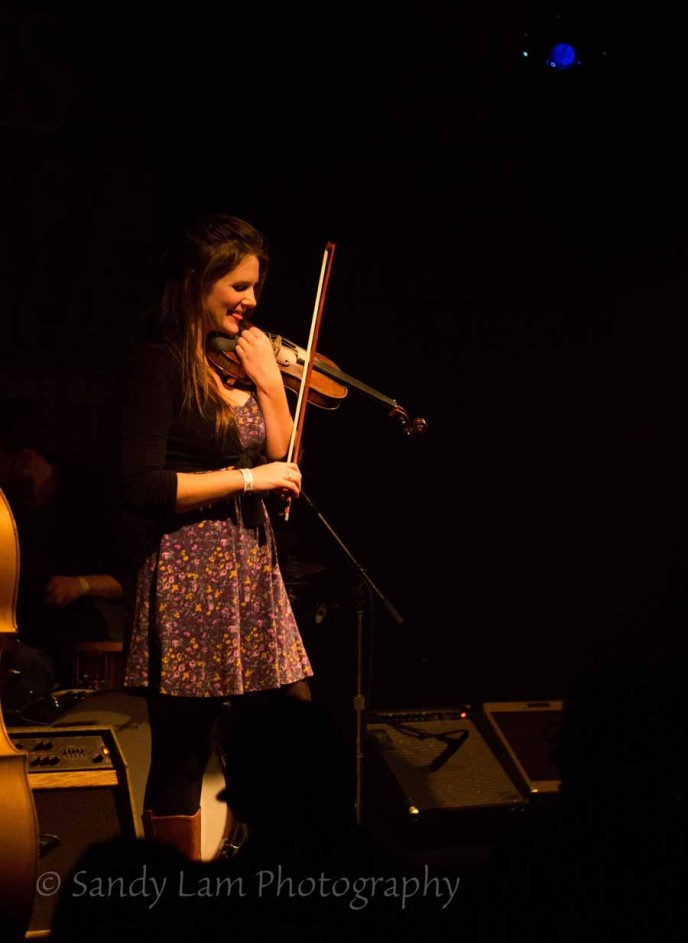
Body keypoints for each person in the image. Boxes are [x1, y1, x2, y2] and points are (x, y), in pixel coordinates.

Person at [118, 212, 313, 861]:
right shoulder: (160, 362)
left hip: (253, 569)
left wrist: (270, 383)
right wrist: (246, 479)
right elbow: (142, 484)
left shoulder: (237, 365)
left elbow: (280, 458)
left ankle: (281, 872)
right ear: (197, 282)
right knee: (183, 750)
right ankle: (172, 888)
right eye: (238, 286)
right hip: (189, 574)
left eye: (256, 287)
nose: (251, 300)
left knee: (293, 729)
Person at [0, 394, 128, 703]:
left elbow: (129, 578)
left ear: (25, 459)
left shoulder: (89, 499)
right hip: (21, 641)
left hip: (75, 644)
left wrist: (80, 585)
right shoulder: (8, 508)